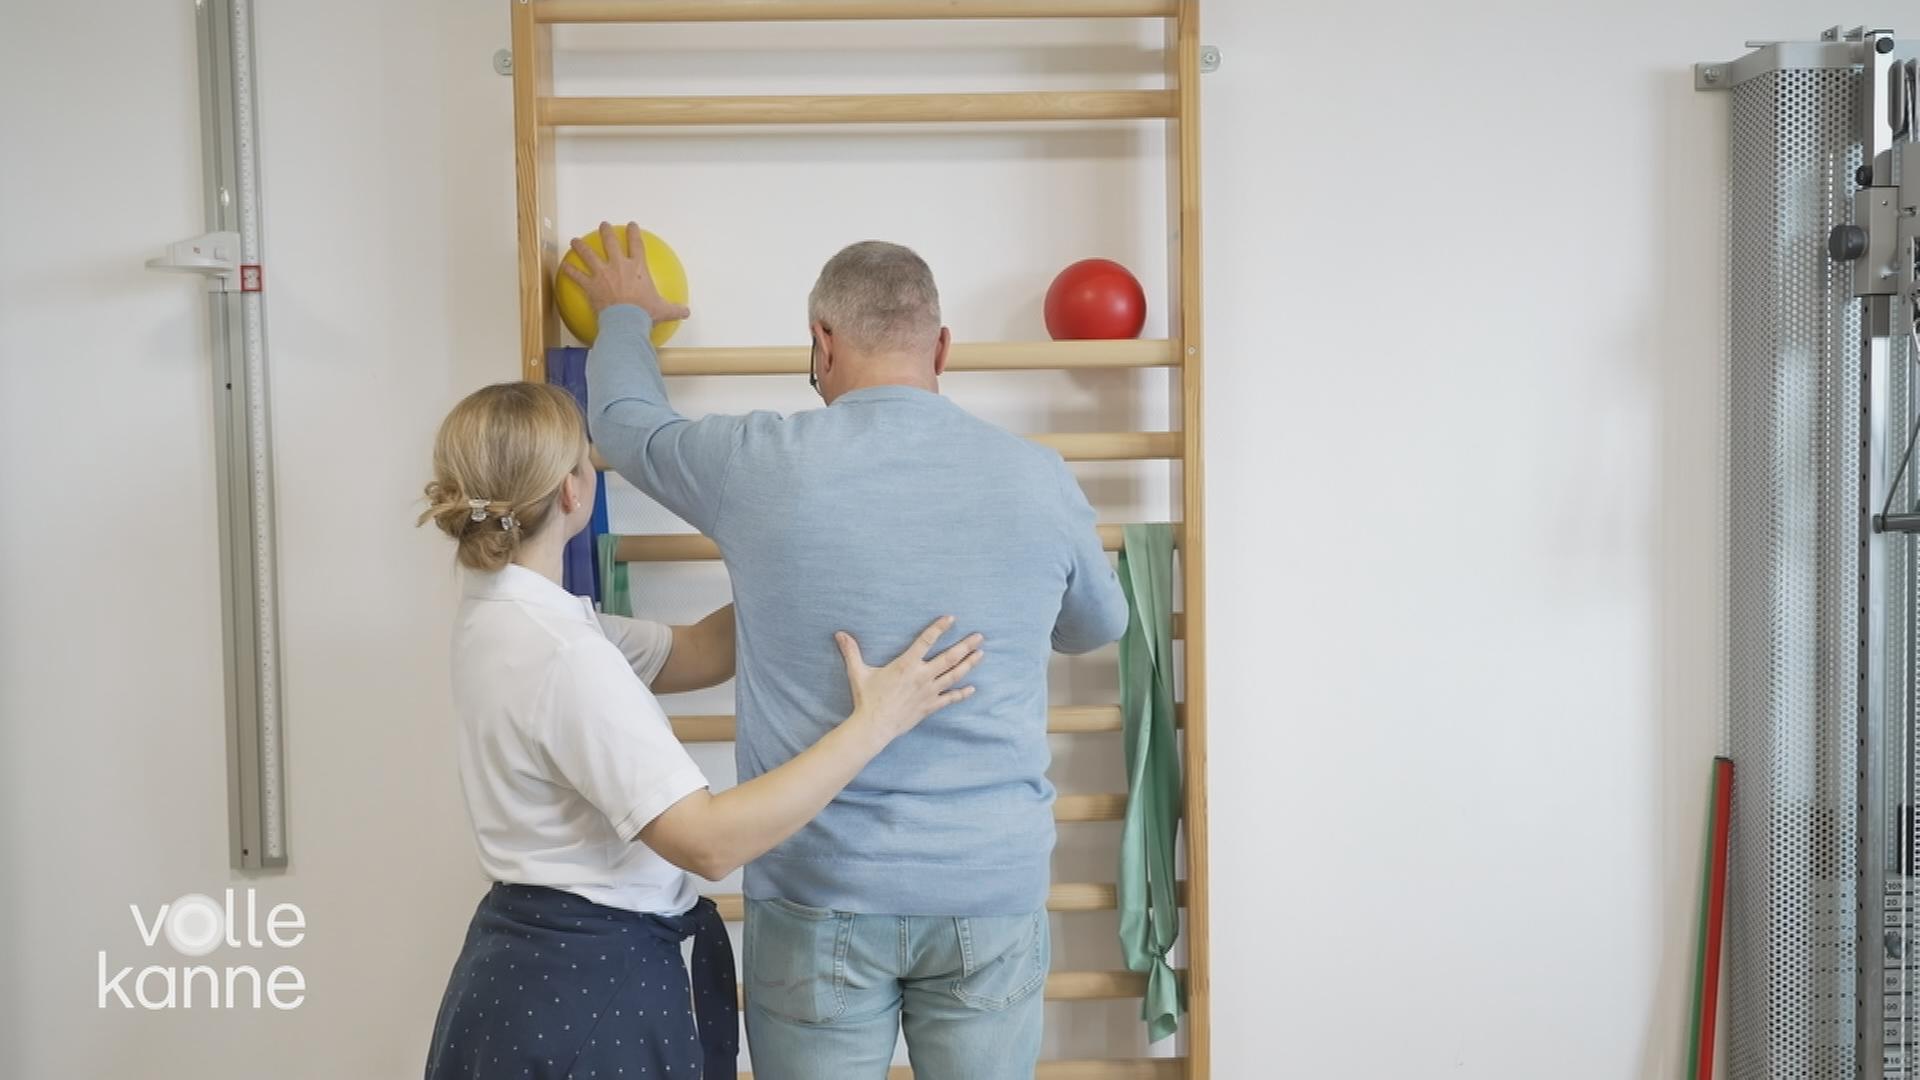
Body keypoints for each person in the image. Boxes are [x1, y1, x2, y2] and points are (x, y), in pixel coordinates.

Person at [572, 223, 1131, 1079]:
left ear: (820, 342)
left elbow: (620, 422)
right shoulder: (1036, 476)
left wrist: (621, 316)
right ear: (942, 345)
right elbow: (1098, 626)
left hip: (818, 892)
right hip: (989, 887)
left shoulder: (754, 463)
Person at [417, 379, 985, 1080]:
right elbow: (709, 842)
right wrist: (877, 722)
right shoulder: (562, 657)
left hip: (528, 963)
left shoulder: (505, 617)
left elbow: (700, 651)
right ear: (572, 490)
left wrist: (819, 560)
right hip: (584, 992)